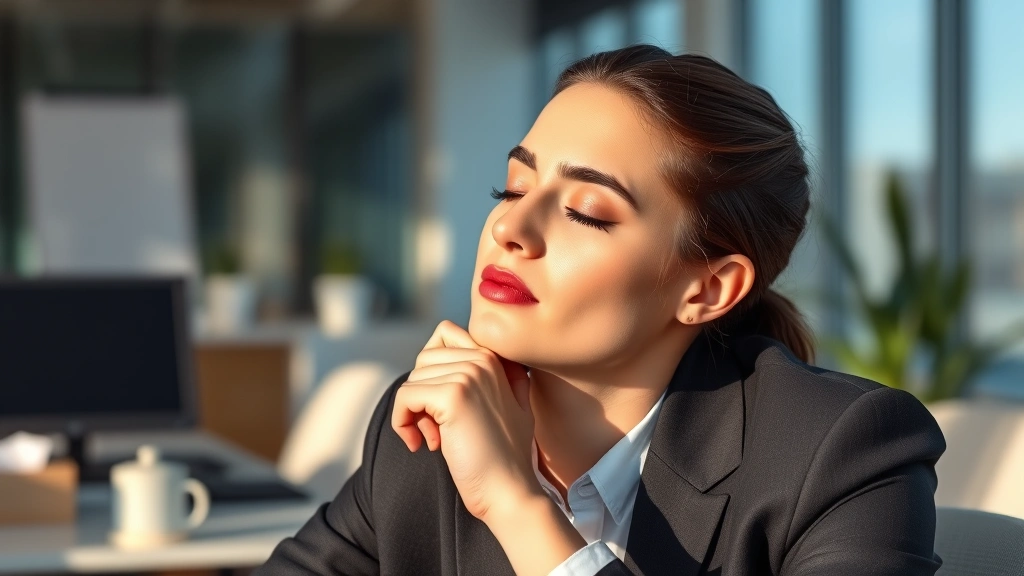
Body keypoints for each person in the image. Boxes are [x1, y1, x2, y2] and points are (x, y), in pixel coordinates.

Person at [256, 45, 946, 576]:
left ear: (707, 288)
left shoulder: (845, 454)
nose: (510, 228)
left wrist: (518, 505)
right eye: (513, 186)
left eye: (585, 212)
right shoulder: (429, 427)